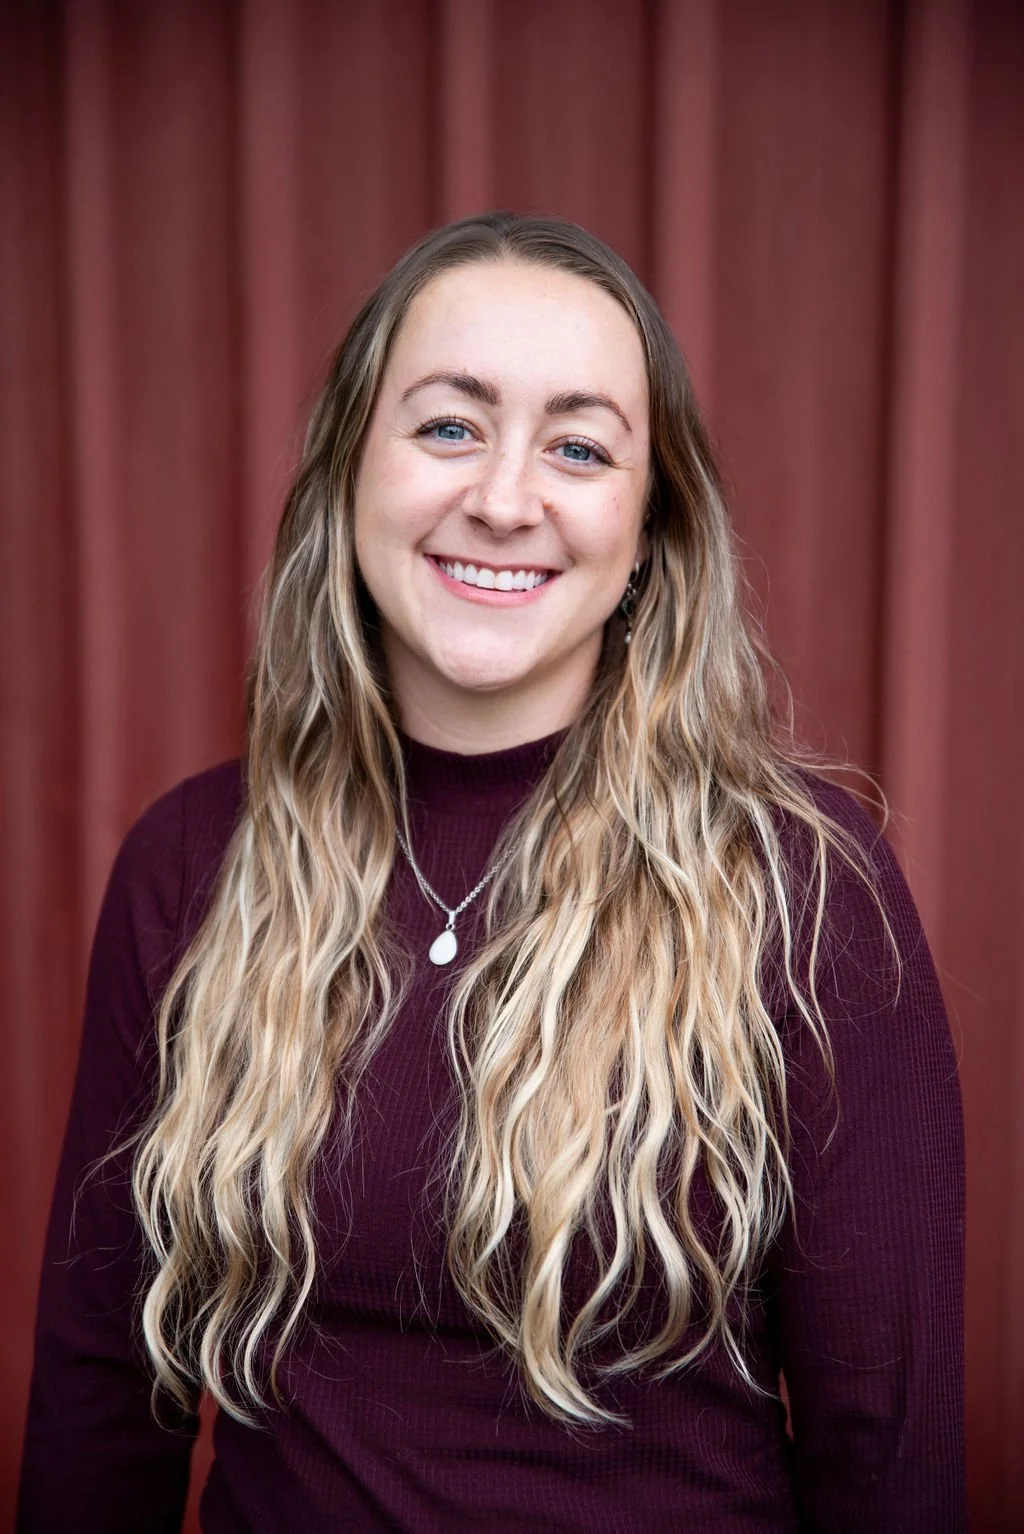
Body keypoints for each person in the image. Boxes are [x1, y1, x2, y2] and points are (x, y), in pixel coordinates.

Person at [17, 213, 965, 1533]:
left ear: (649, 533)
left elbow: (889, 1445)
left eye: (578, 447)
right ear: (353, 475)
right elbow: (101, 1404)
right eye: (451, 426)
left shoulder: (802, 884)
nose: (506, 495)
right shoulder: (191, 864)